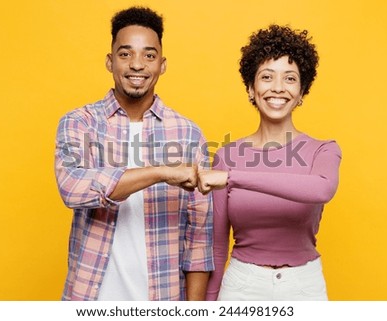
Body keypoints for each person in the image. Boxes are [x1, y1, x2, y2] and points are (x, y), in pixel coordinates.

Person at [54, 6, 213, 301]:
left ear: (162, 64)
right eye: (125, 54)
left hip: (163, 299)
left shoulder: (189, 134)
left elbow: (199, 239)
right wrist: (161, 172)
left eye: (148, 55)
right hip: (91, 298)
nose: (137, 65)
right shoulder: (80, 123)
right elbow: (73, 189)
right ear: (109, 61)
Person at [199, 25, 342, 300]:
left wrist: (233, 177)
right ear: (251, 89)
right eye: (266, 77)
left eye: (290, 79)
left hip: (304, 286)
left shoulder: (323, 151)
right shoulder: (227, 156)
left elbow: (322, 189)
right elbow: (218, 245)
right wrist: (209, 305)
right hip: (241, 286)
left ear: (301, 92)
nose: (278, 88)